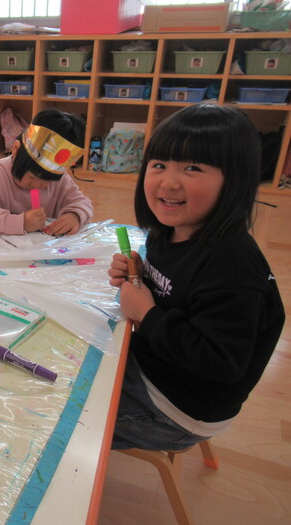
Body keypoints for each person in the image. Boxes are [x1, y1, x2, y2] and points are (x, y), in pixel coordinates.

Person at [107, 104, 285, 451]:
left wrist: (147, 313)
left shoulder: (233, 266)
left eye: (192, 168)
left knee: (62, 414)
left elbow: (220, 362)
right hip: (157, 368)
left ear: (234, 180)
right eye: (159, 165)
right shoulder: (169, 230)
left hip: (177, 411)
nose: (169, 181)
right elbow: (180, 292)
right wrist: (142, 275)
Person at [0, 108, 93, 236]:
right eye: (32, 176)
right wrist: (22, 223)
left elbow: (82, 202)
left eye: (47, 181)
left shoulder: (59, 178)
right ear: (15, 150)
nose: (37, 185)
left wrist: (74, 216)